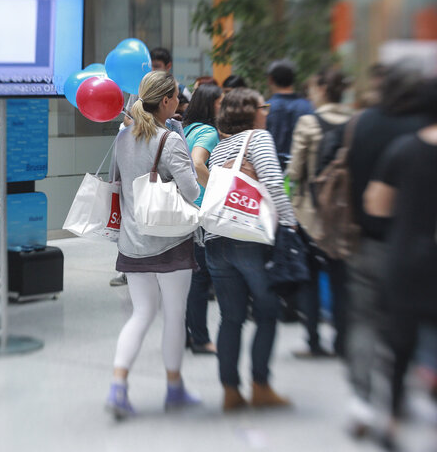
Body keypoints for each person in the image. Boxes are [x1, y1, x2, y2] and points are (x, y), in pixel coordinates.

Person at [364, 75, 437, 451]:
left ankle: (392, 421)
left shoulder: (403, 149)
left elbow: (375, 204)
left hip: (406, 256)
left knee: (400, 345)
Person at [106, 71, 201, 419]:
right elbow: (191, 191)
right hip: (171, 240)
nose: (179, 101)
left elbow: (116, 182)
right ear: (165, 101)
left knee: (141, 314)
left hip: (132, 241)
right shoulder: (170, 140)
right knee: (174, 316)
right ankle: (174, 390)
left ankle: (118, 385)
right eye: (176, 96)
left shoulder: (123, 138)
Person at [343, 65, 430, 436]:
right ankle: (398, 396)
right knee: (403, 324)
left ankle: (361, 402)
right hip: (411, 244)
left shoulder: (361, 122)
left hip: (365, 238)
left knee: (363, 321)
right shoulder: (423, 127)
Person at [205, 88, 299, 410]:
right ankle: (260, 386)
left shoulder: (220, 148)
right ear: (252, 111)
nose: (268, 111)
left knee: (230, 317)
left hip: (216, 240)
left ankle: (230, 392)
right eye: (264, 106)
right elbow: (273, 183)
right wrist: (290, 225)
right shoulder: (259, 139)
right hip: (251, 239)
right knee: (268, 311)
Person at [287, 68, 354, 358]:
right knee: (342, 279)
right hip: (344, 215)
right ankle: (342, 340)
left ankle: (313, 340)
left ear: (323, 91)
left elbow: (295, 170)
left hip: (311, 215)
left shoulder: (308, 123)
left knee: (311, 278)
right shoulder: (354, 121)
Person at [181, 84, 223, 355]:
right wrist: (217, 191)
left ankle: (186, 334)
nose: (225, 108)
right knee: (200, 277)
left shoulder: (186, 129)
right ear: (211, 105)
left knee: (188, 277)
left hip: (184, 208)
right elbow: (197, 164)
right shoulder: (208, 132)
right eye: (221, 103)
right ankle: (200, 337)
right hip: (200, 210)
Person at [265, 59, 314, 170]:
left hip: (271, 173)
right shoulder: (308, 107)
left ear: (270, 79)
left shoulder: (265, 109)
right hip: (301, 172)